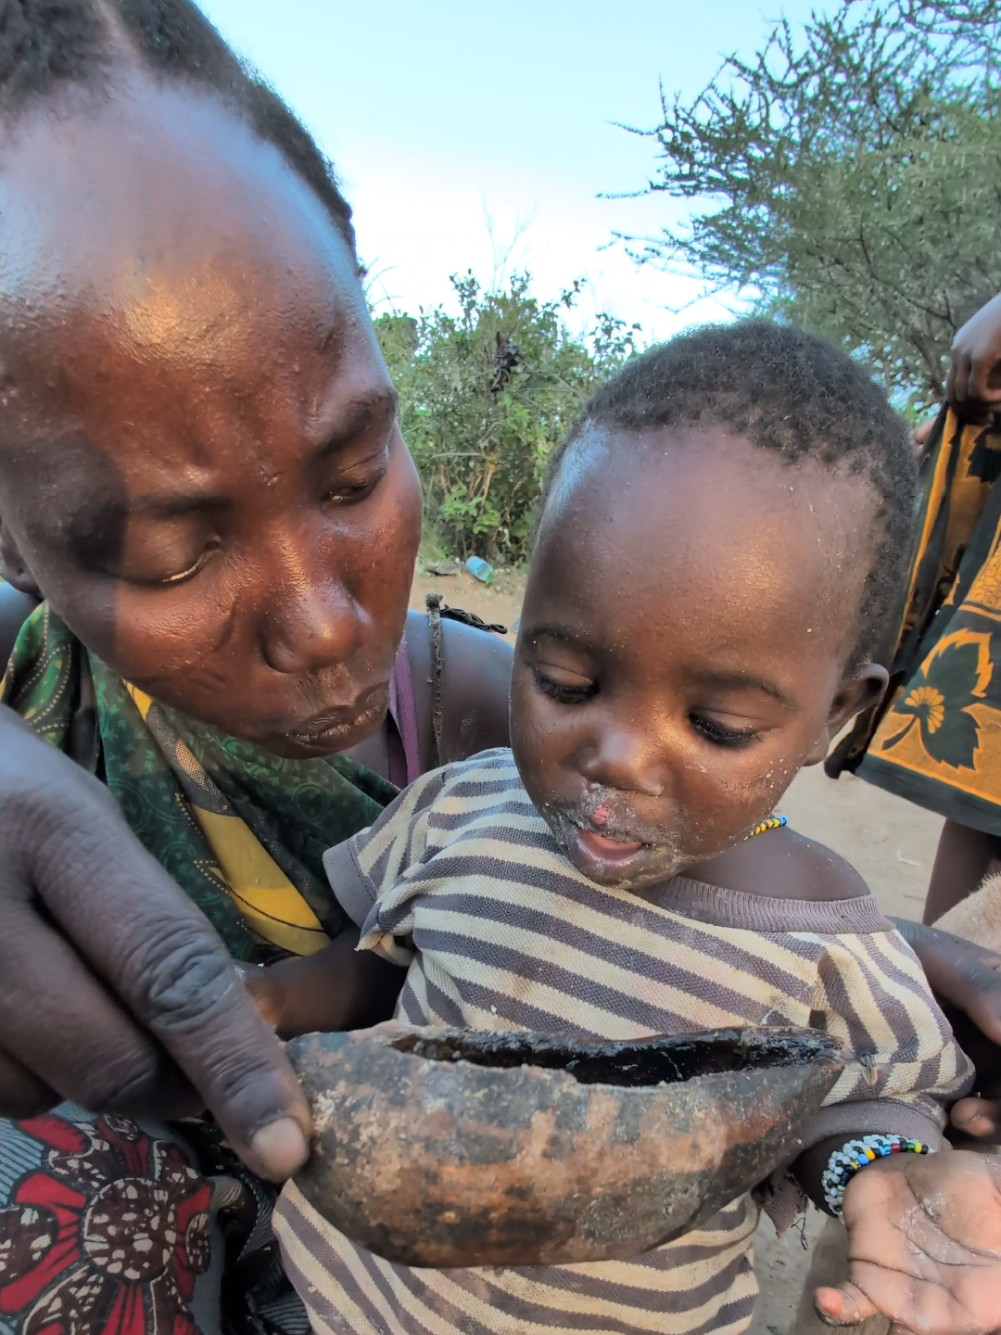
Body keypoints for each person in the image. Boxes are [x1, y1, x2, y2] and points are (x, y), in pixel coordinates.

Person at [258, 323, 1000, 1335]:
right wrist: (265, 1003)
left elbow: (846, 1106)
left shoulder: (831, 939)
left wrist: (878, 1178)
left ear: (834, 714)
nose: (619, 757)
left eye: (715, 726)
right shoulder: (469, 807)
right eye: (566, 681)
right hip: (354, 1298)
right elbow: (383, 971)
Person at [0, 2, 511, 1330]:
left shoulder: (521, 721)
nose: (329, 624)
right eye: (175, 557)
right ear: (13, 536)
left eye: (354, 472)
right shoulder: (27, 705)